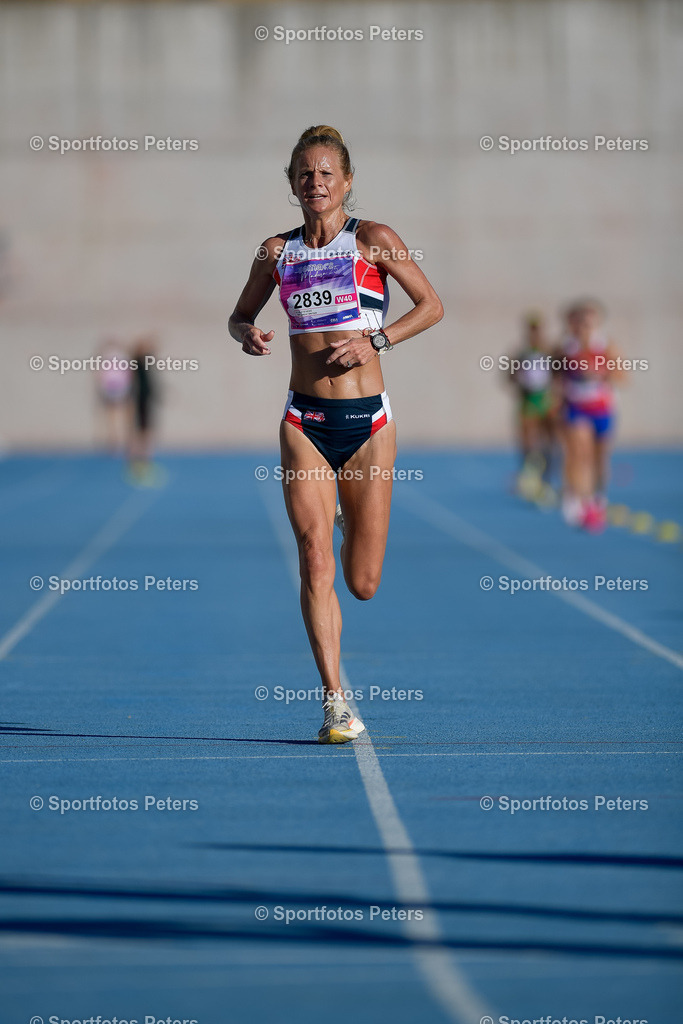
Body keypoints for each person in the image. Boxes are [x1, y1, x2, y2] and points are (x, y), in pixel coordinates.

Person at [228, 125, 443, 743]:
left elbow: (431, 306)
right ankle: (335, 702)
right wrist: (246, 333)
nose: (315, 182)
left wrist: (377, 340)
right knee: (313, 556)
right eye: (305, 173)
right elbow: (239, 314)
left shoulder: (374, 239)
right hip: (305, 422)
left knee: (363, 584)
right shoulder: (276, 252)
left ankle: (350, 522)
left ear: (346, 182)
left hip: (368, 425)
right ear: (292, 182)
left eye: (326, 173)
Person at [557, 300, 624, 532]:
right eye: (579, 323)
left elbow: (623, 377)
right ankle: (580, 502)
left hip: (602, 408)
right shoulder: (565, 348)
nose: (583, 328)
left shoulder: (606, 346)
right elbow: (555, 377)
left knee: (599, 458)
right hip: (577, 408)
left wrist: (600, 373)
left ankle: (598, 498)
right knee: (580, 454)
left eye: (588, 324)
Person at [506, 312, 558, 501]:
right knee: (527, 442)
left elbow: (561, 375)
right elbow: (509, 377)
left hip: (546, 400)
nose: (535, 333)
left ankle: (547, 481)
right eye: (532, 329)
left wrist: (556, 394)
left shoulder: (551, 351)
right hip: (528, 400)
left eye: (538, 329)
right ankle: (528, 478)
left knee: (550, 442)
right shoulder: (520, 353)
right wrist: (518, 376)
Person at [95, 338, 132, 454]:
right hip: (116, 387)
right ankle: (116, 440)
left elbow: (101, 375)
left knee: (114, 416)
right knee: (116, 416)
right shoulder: (118, 357)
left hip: (114, 387)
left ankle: (116, 440)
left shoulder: (111, 357)